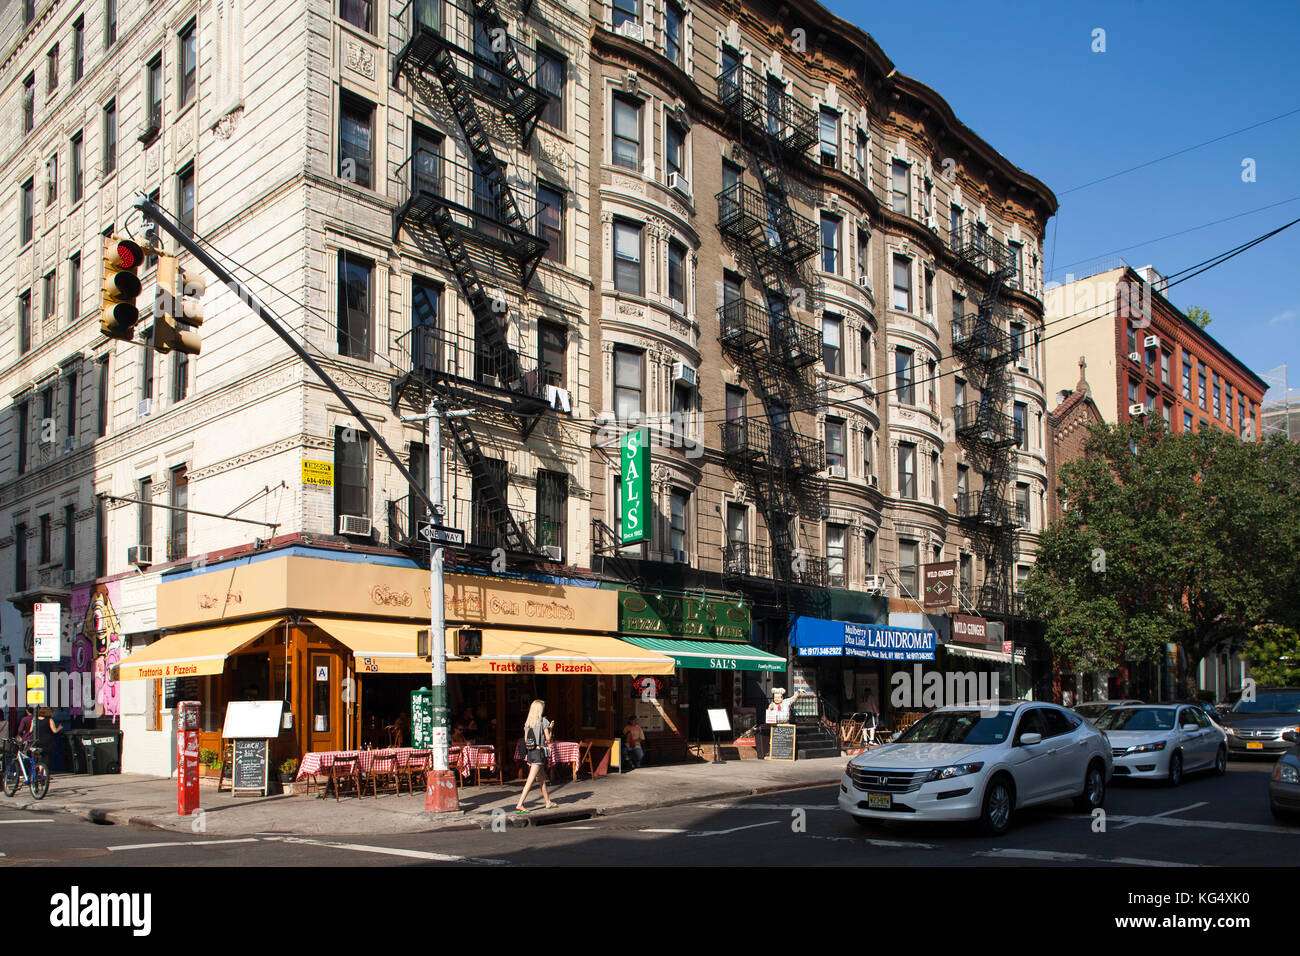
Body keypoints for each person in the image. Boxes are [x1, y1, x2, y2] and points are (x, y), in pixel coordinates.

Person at [515, 699, 557, 812]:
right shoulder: (544, 721)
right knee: (530, 780)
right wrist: (551, 728)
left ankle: (548, 802)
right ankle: (520, 803)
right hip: (538, 753)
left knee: (542, 779)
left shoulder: (528, 722)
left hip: (531, 753)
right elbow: (548, 738)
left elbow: (525, 739)